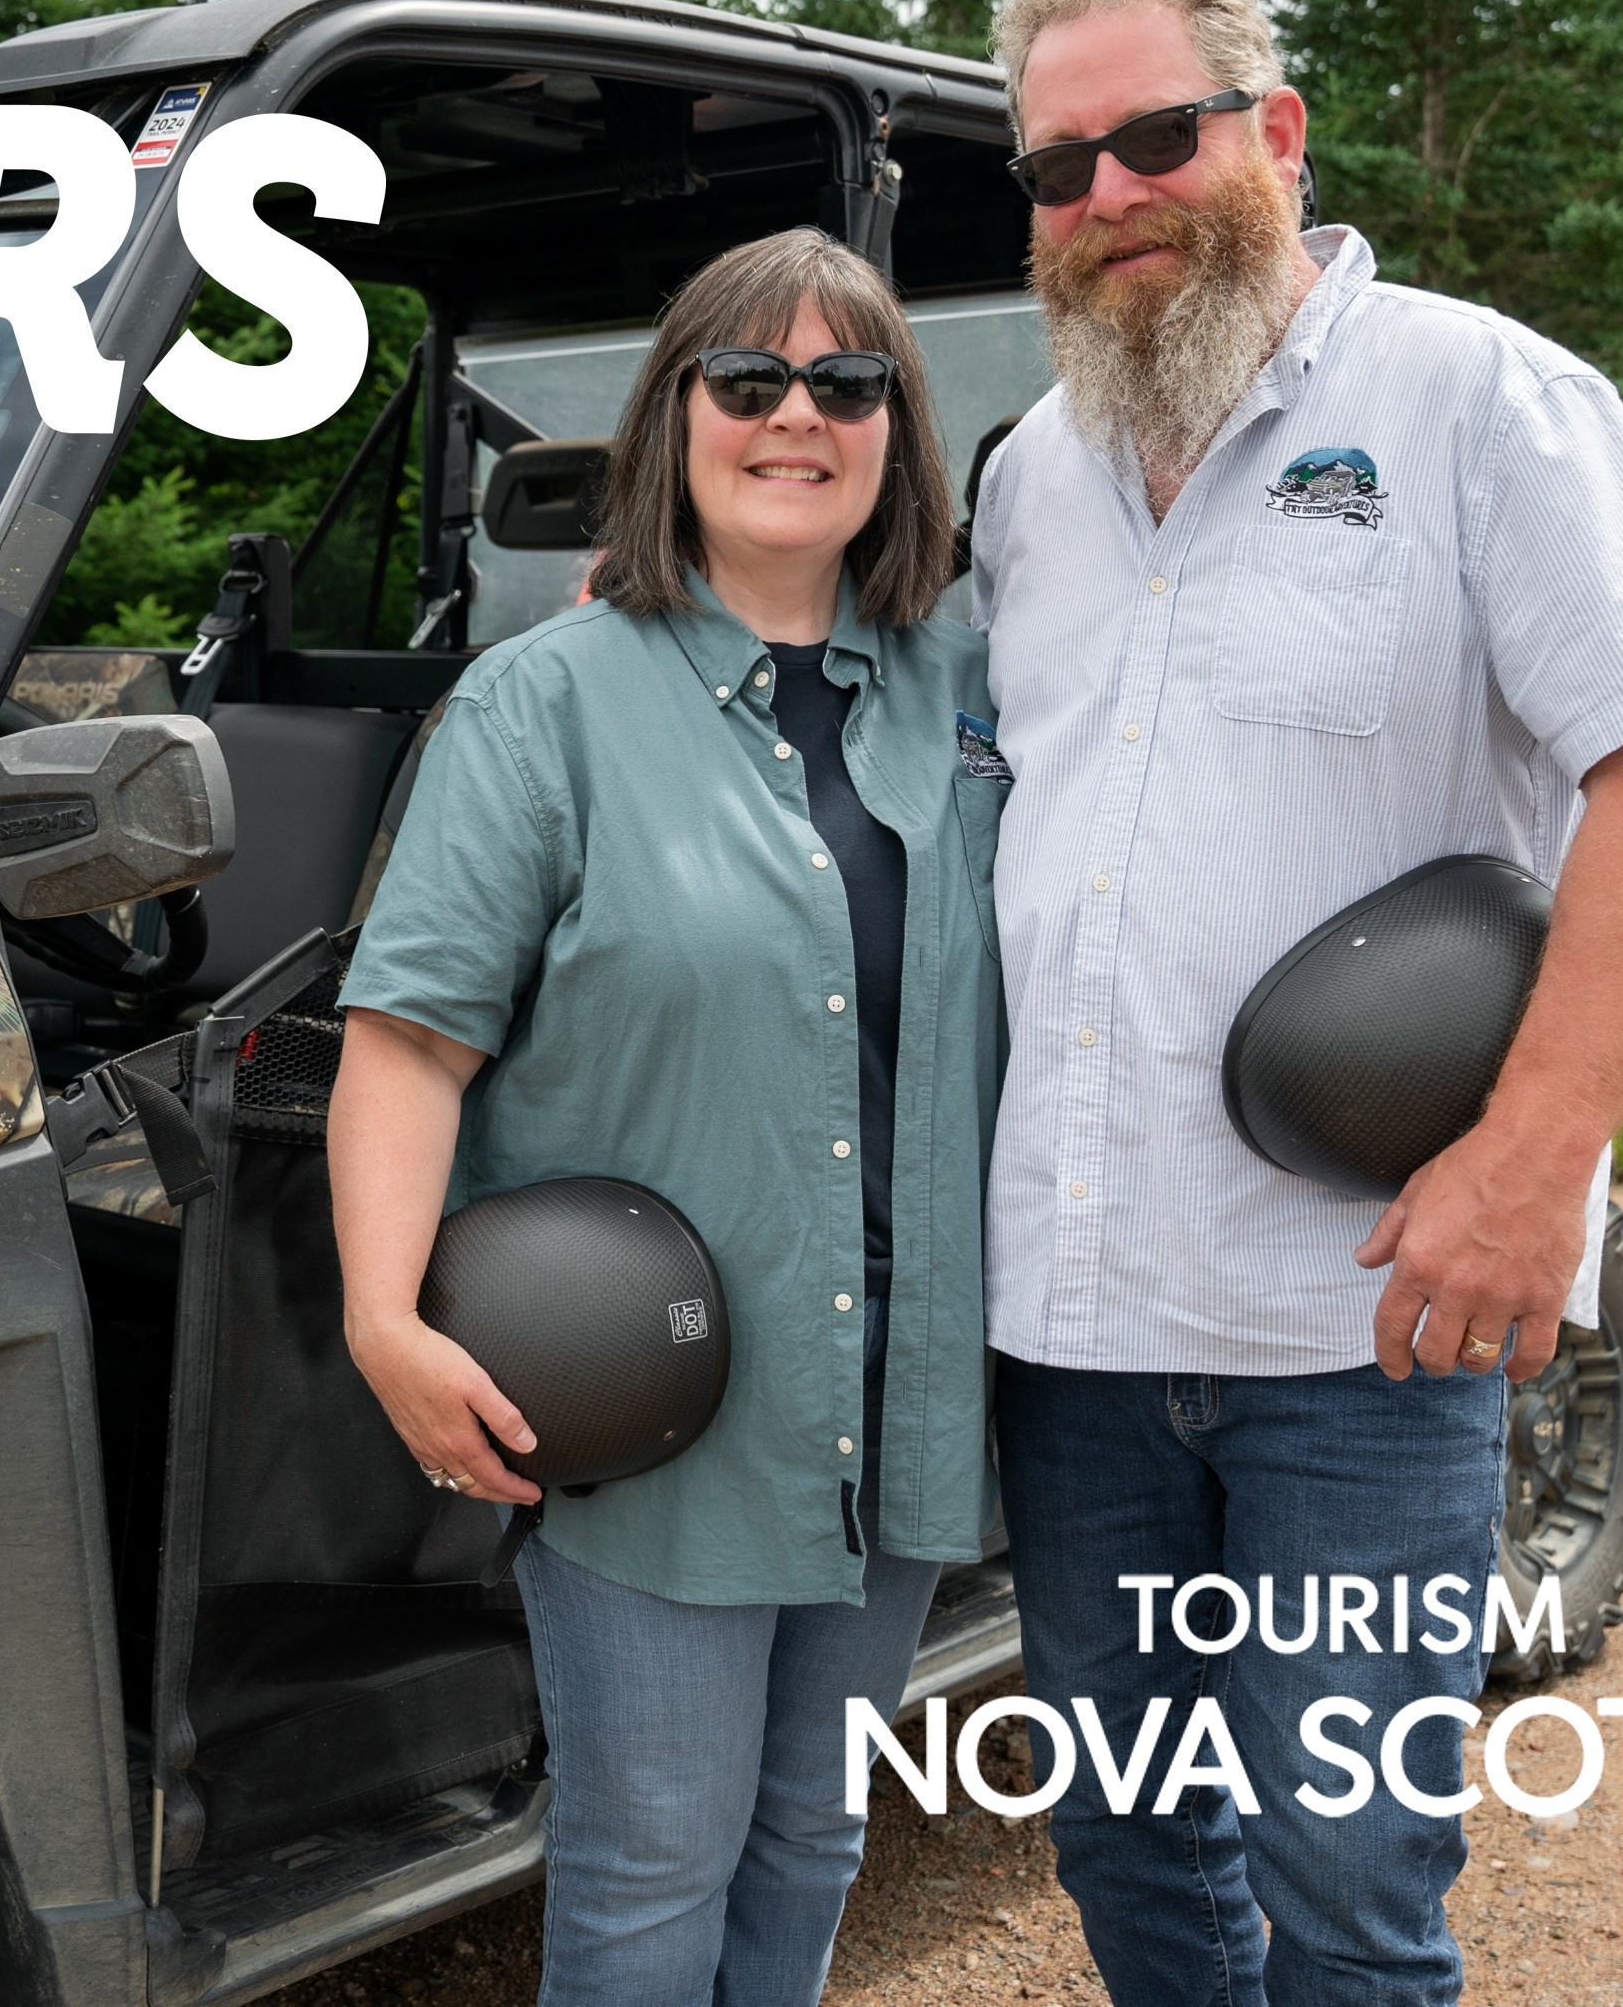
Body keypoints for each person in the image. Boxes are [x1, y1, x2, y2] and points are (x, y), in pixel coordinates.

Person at [967, 0, 1623, 2006]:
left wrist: (1536, 1160)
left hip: (1366, 1318)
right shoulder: (1022, 480)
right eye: (1058, 166)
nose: (1110, 194)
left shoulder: (1474, 397)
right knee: (1130, 1841)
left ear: (1274, 133)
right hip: (1072, 1325)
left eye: (1157, 136)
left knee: (1342, 1876)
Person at [327, 228, 1007, 2007]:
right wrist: (383, 1321)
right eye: (751, 380)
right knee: (651, 1868)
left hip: (897, 1392)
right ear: (675, 418)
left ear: (897, 432)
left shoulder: (975, 683)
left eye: (849, 384)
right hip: (662, 1398)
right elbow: (409, 1044)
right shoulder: (543, 702)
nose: (800, 417)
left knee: (814, 1836)